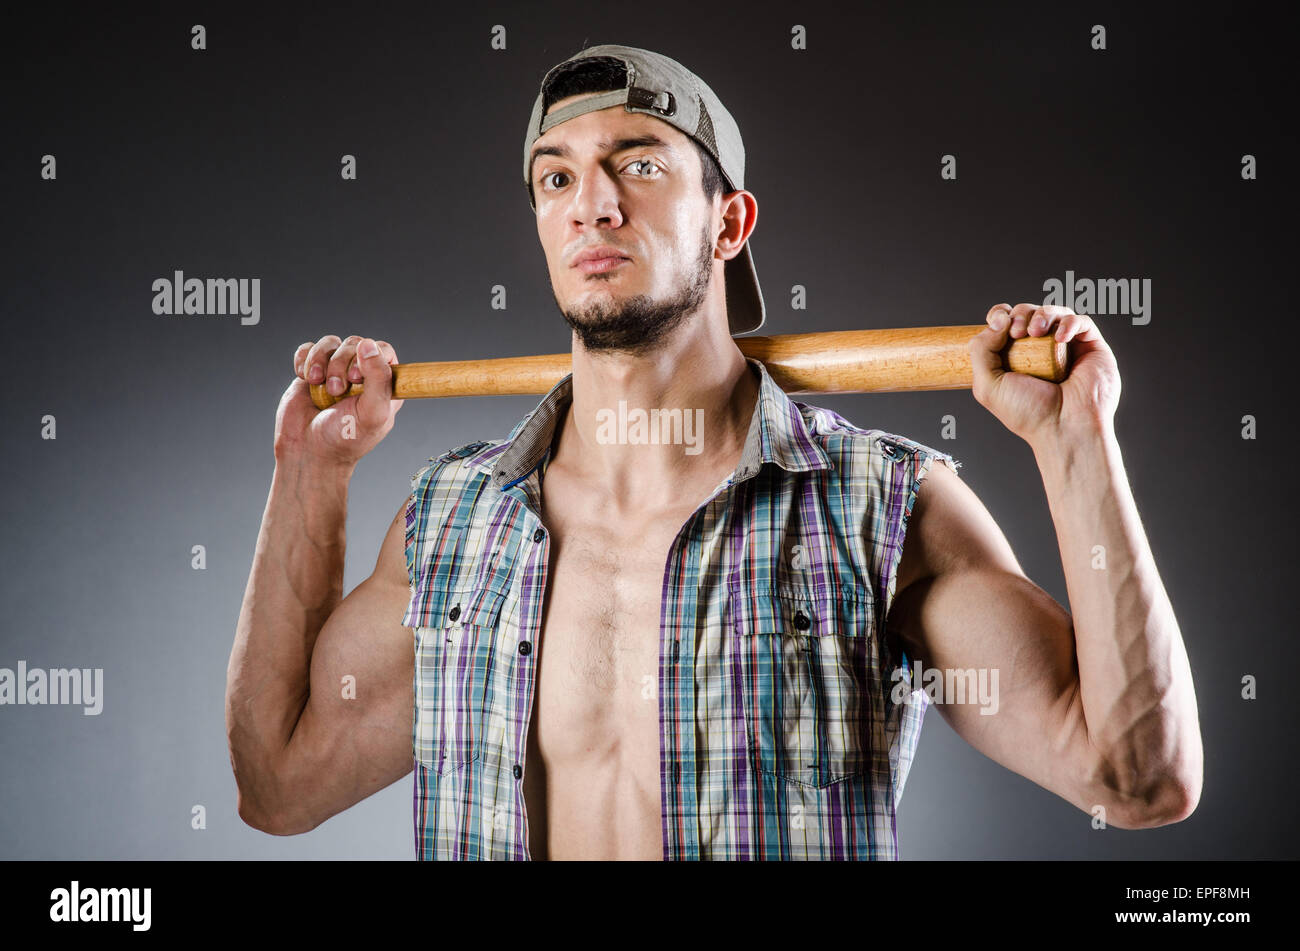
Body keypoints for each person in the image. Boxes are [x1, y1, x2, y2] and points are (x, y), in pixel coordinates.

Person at [225, 44, 1202, 860]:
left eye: (639, 164)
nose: (591, 204)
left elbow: (1137, 778)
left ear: (728, 222)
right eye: (556, 176)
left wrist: (1073, 443)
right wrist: (312, 476)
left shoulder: (880, 507)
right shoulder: (454, 522)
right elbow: (278, 786)